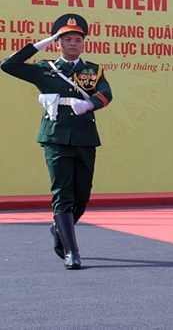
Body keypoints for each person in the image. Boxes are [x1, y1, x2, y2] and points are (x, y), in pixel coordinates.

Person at [1, 13, 112, 270]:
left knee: (81, 197)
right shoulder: (45, 69)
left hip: (84, 137)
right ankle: (72, 252)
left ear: (84, 44)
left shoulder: (93, 71)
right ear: (58, 42)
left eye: (78, 39)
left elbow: (106, 93)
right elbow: (8, 65)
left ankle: (58, 227)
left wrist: (90, 104)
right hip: (55, 136)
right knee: (62, 193)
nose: (73, 43)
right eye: (67, 39)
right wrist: (40, 44)